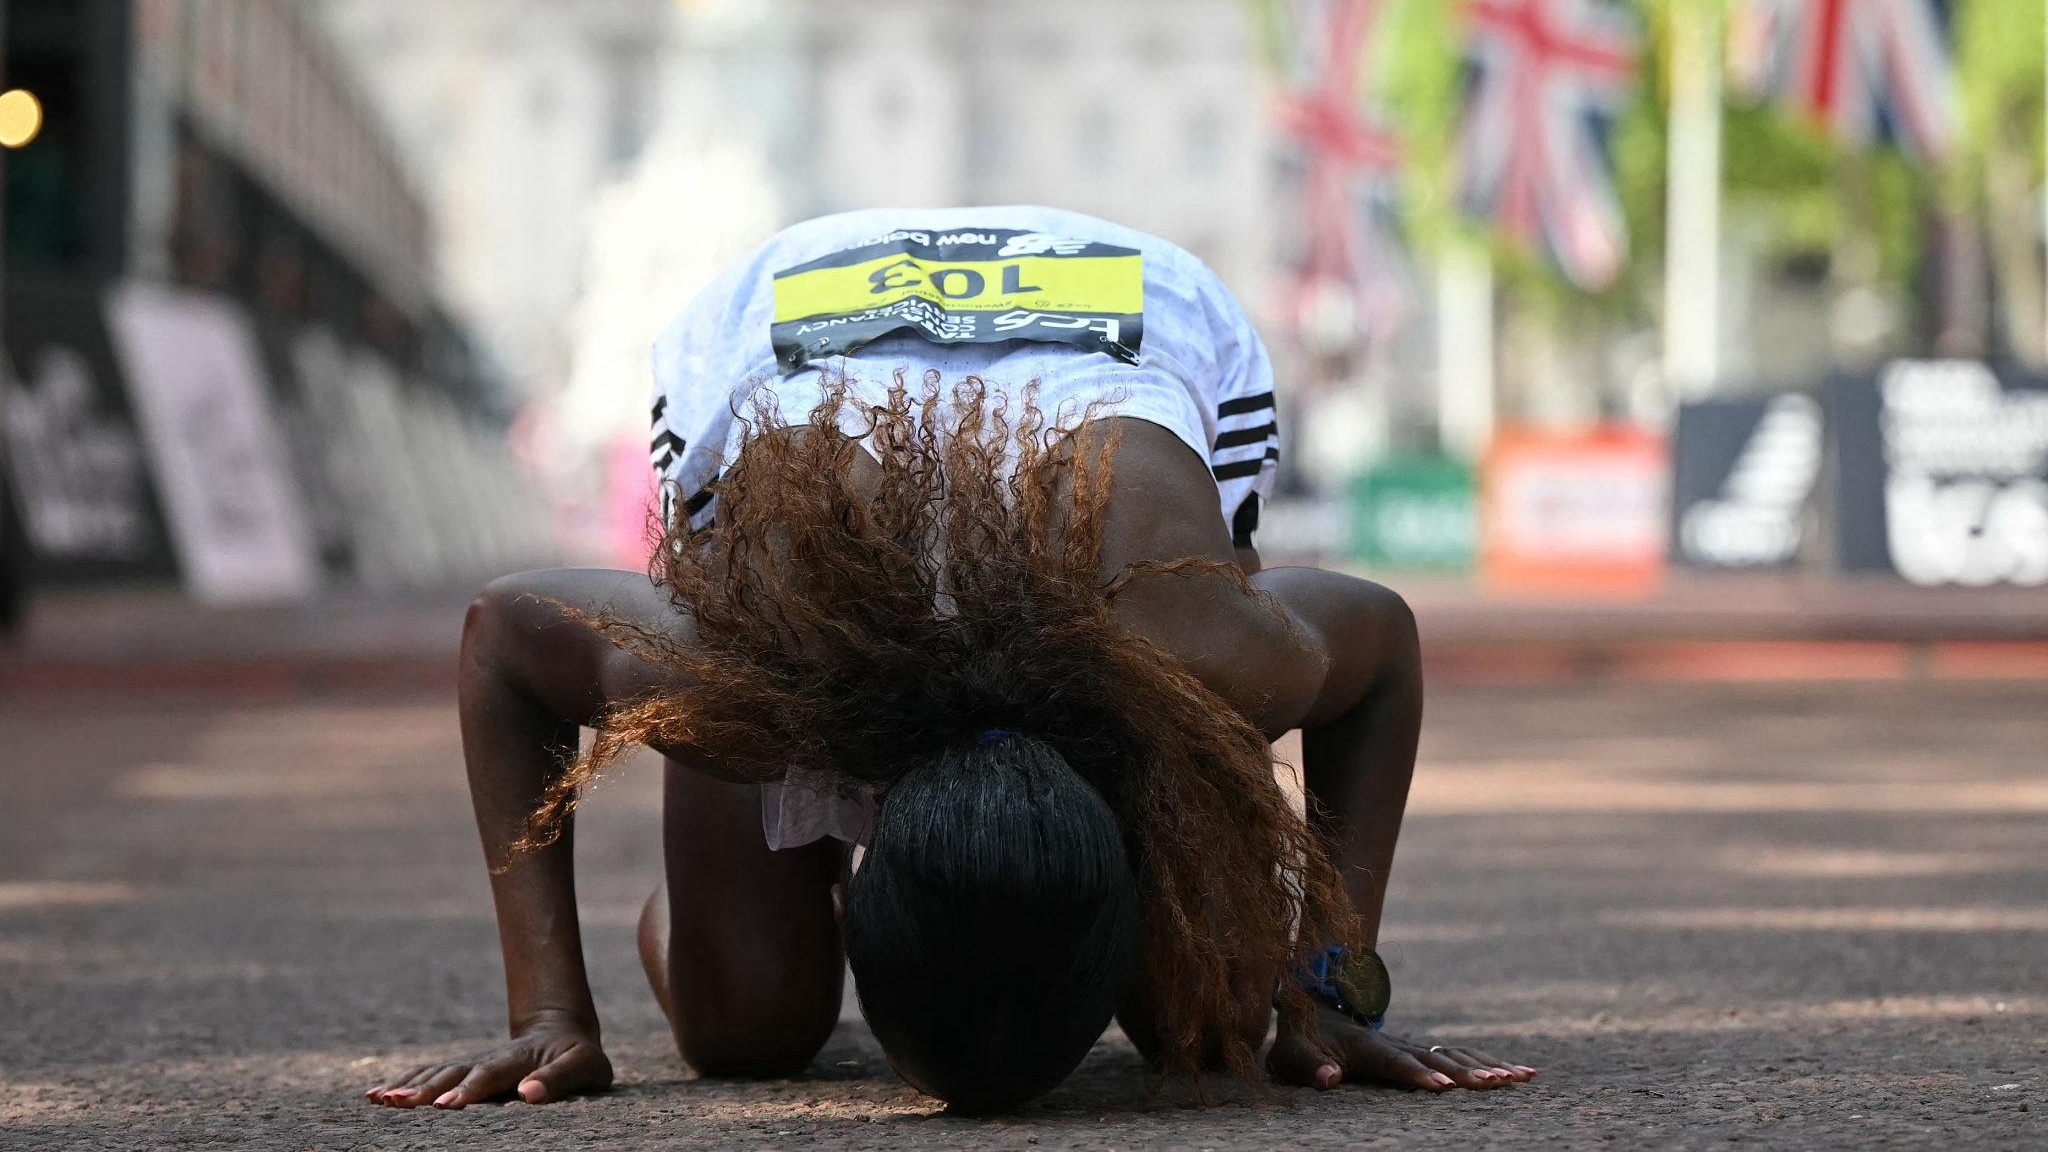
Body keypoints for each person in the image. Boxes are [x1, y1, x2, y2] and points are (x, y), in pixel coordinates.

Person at [366, 207, 1534, 1114]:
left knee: (1207, 1018)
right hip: (793, 343)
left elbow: (1380, 648)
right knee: (746, 1031)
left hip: (1118, 326)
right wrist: (549, 1011)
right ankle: (767, 862)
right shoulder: (774, 669)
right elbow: (505, 640)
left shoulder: (1183, 646)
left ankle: (779, 861)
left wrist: (1321, 988)